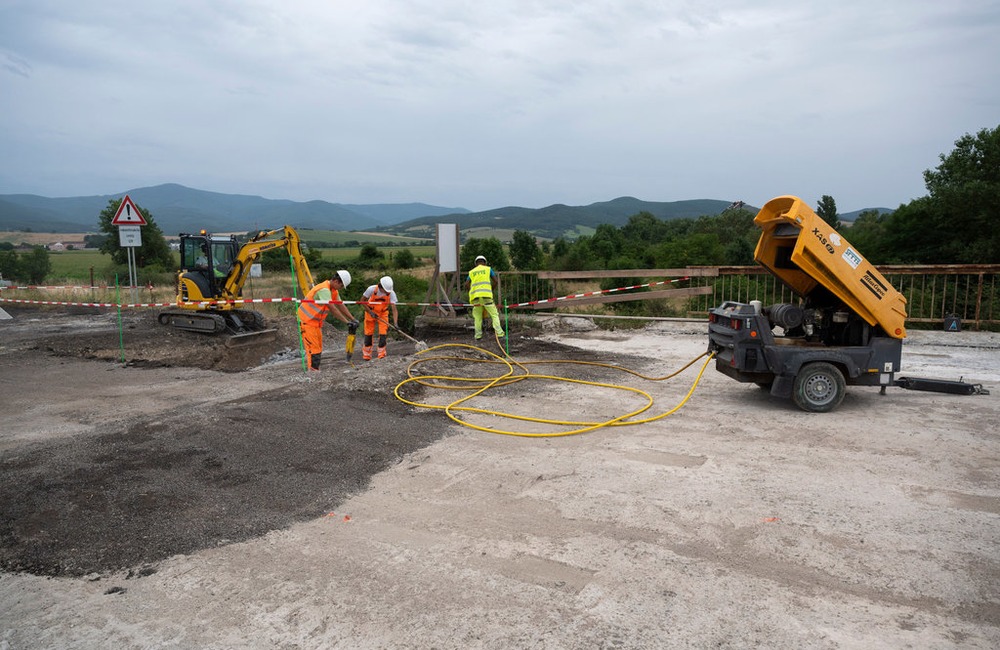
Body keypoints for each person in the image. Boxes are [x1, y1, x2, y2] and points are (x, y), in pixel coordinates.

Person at [297, 270, 358, 371]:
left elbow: (340, 305)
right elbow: (333, 309)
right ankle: (313, 372)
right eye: (341, 286)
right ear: (336, 282)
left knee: (318, 348)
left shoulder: (333, 290)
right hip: (307, 322)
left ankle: (314, 370)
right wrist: (347, 322)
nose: (341, 288)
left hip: (316, 323)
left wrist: (352, 319)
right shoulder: (324, 289)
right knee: (313, 349)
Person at [466, 255, 504, 340]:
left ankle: (478, 336)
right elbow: (496, 281)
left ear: (476, 263)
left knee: (477, 317)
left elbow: (466, 284)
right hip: (486, 296)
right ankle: (500, 334)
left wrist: (471, 291)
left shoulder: (472, 272)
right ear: (485, 262)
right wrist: (491, 289)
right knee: (494, 315)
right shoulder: (488, 269)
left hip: (476, 297)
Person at [360, 275, 398, 360]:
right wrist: (370, 312)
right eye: (386, 291)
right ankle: (366, 354)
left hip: (383, 313)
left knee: (383, 334)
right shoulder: (371, 289)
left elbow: (394, 309)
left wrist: (396, 323)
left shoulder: (391, 293)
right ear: (381, 287)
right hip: (370, 312)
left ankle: (381, 354)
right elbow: (362, 301)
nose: (387, 292)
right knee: (368, 334)